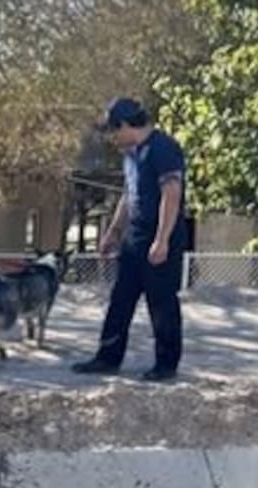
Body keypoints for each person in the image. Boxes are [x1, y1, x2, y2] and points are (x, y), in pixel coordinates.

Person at [72, 97, 187, 382]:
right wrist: (113, 231)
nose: (112, 137)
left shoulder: (163, 148)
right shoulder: (131, 154)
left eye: (113, 130)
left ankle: (166, 364)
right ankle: (107, 357)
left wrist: (161, 239)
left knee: (161, 302)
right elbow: (129, 193)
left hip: (161, 234)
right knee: (121, 298)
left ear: (125, 125)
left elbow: (171, 194)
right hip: (134, 235)